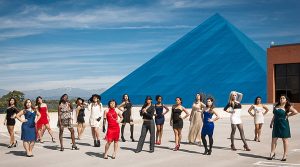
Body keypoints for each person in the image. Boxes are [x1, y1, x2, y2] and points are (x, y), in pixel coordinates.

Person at [268, 95, 298, 161]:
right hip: (276, 124)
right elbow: (274, 116)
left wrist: (288, 116)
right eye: (281, 98)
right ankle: (272, 153)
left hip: (284, 124)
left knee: (284, 140)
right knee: (274, 139)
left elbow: (295, 112)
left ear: (286, 100)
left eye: (283, 98)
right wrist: (271, 122)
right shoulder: (276, 106)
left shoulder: (288, 107)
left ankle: (285, 155)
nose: (281, 99)